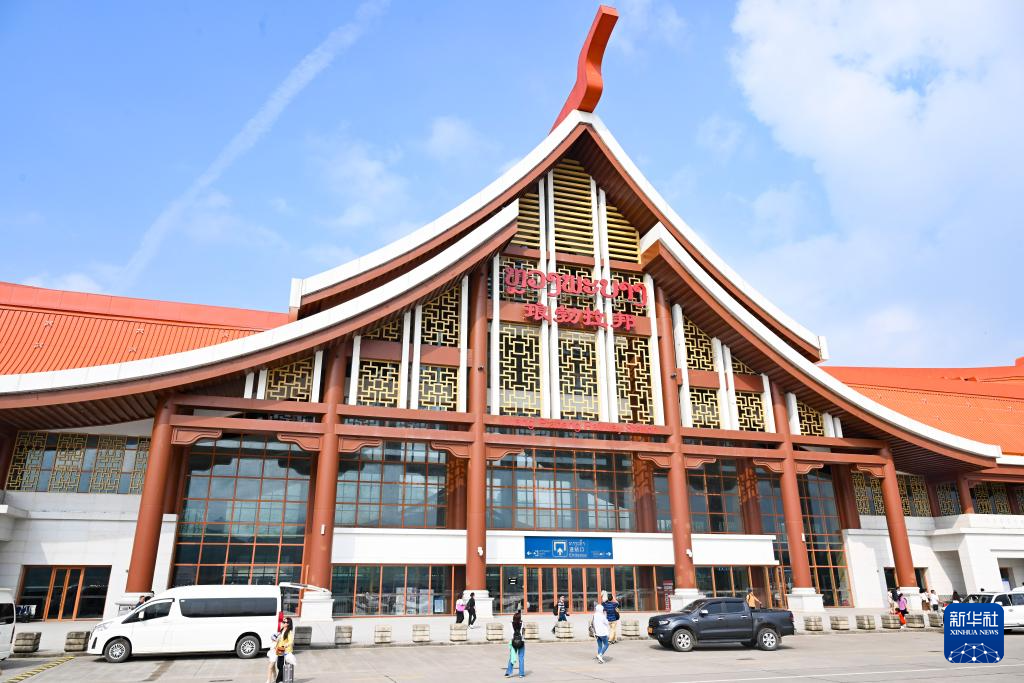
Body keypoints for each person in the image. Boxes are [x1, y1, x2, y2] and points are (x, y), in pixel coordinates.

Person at [267, 616, 294, 683]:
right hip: (280, 649)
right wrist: (274, 639)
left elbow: (291, 641)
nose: (283, 623)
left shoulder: (289, 632)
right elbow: (279, 638)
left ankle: (279, 680)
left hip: (286, 650)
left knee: (281, 665)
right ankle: (281, 679)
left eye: (284, 622)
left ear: (288, 624)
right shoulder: (282, 630)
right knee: (279, 665)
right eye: (283, 621)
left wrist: (286, 644)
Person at [505, 607, 525, 678]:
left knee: (512, 657)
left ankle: (508, 673)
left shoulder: (511, 623)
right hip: (521, 642)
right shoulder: (522, 623)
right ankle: (521, 674)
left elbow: (511, 633)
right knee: (521, 658)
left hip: (513, 641)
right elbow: (523, 633)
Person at [592, 598, 610, 663]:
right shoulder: (602, 616)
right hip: (603, 632)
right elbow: (607, 623)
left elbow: (593, 623)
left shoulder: (594, 615)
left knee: (600, 645)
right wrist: (605, 615)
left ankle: (598, 655)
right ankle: (600, 655)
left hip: (597, 632)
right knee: (606, 644)